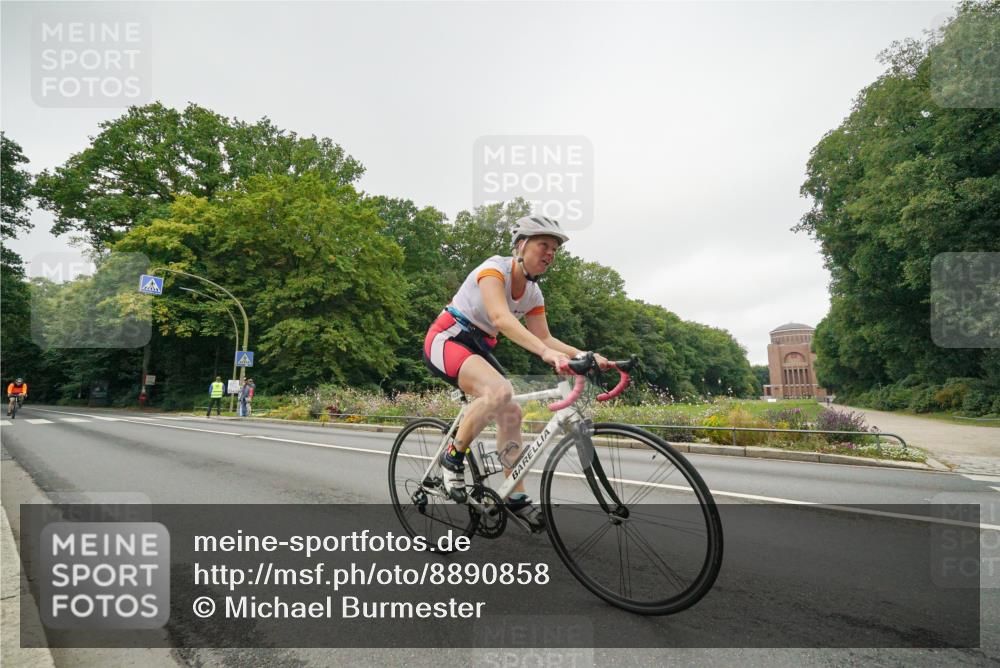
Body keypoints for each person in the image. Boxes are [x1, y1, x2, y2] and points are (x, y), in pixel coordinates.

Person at [422, 215, 608, 529]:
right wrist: (546, 354)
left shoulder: (534, 294)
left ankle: (515, 497)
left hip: (479, 347)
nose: (550, 253)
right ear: (521, 245)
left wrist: (584, 355)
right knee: (500, 391)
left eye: (555, 250)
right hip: (448, 338)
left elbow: (546, 337)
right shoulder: (494, 269)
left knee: (512, 411)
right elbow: (501, 317)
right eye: (544, 245)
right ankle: (452, 456)